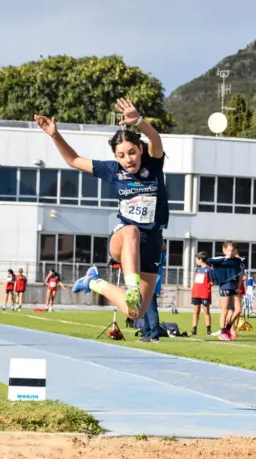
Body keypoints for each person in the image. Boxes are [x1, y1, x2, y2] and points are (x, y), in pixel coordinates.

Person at [34, 98, 168, 320]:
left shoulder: (153, 165)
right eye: (121, 155)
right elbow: (73, 160)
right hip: (123, 238)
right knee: (132, 230)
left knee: (135, 313)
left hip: (152, 241)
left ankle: (94, 282)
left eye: (132, 152)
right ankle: (131, 286)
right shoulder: (113, 171)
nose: (128, 160)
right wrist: (55, 135)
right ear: (115, 157)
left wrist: (139, 122)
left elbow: (155, 137)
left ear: (140, 149)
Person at [207, 241, 243, 341]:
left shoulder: (237, 261)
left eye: (232, 250)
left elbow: (240, 274)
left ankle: (227, 328)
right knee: (225, 310)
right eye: (228, 250)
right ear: (224, 250)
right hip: (225, 286)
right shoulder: (221, 260)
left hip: (234, 286)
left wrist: (239, 286)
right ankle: (223, 332)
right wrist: (223, 258)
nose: (230, 252)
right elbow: (208, 261)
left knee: (238, 310)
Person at [140, 245, 166, 342]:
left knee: (151, 310)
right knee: (145, 310)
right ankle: (147, 333)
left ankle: (154, 334)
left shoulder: (159, 256)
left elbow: (152, 265)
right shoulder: (154, 255)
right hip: (145, 285)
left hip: (152, 286)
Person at [190, 251, 214, 336]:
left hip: (205, 294)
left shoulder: (209, 269)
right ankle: (194, 329)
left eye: (196, 259)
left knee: (206, 312)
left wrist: (206, 285)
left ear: (200, 259)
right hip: (196, 293)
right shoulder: (198, 269)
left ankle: (208, 329)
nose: (196, 261)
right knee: (196, 312)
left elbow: (212, 282)